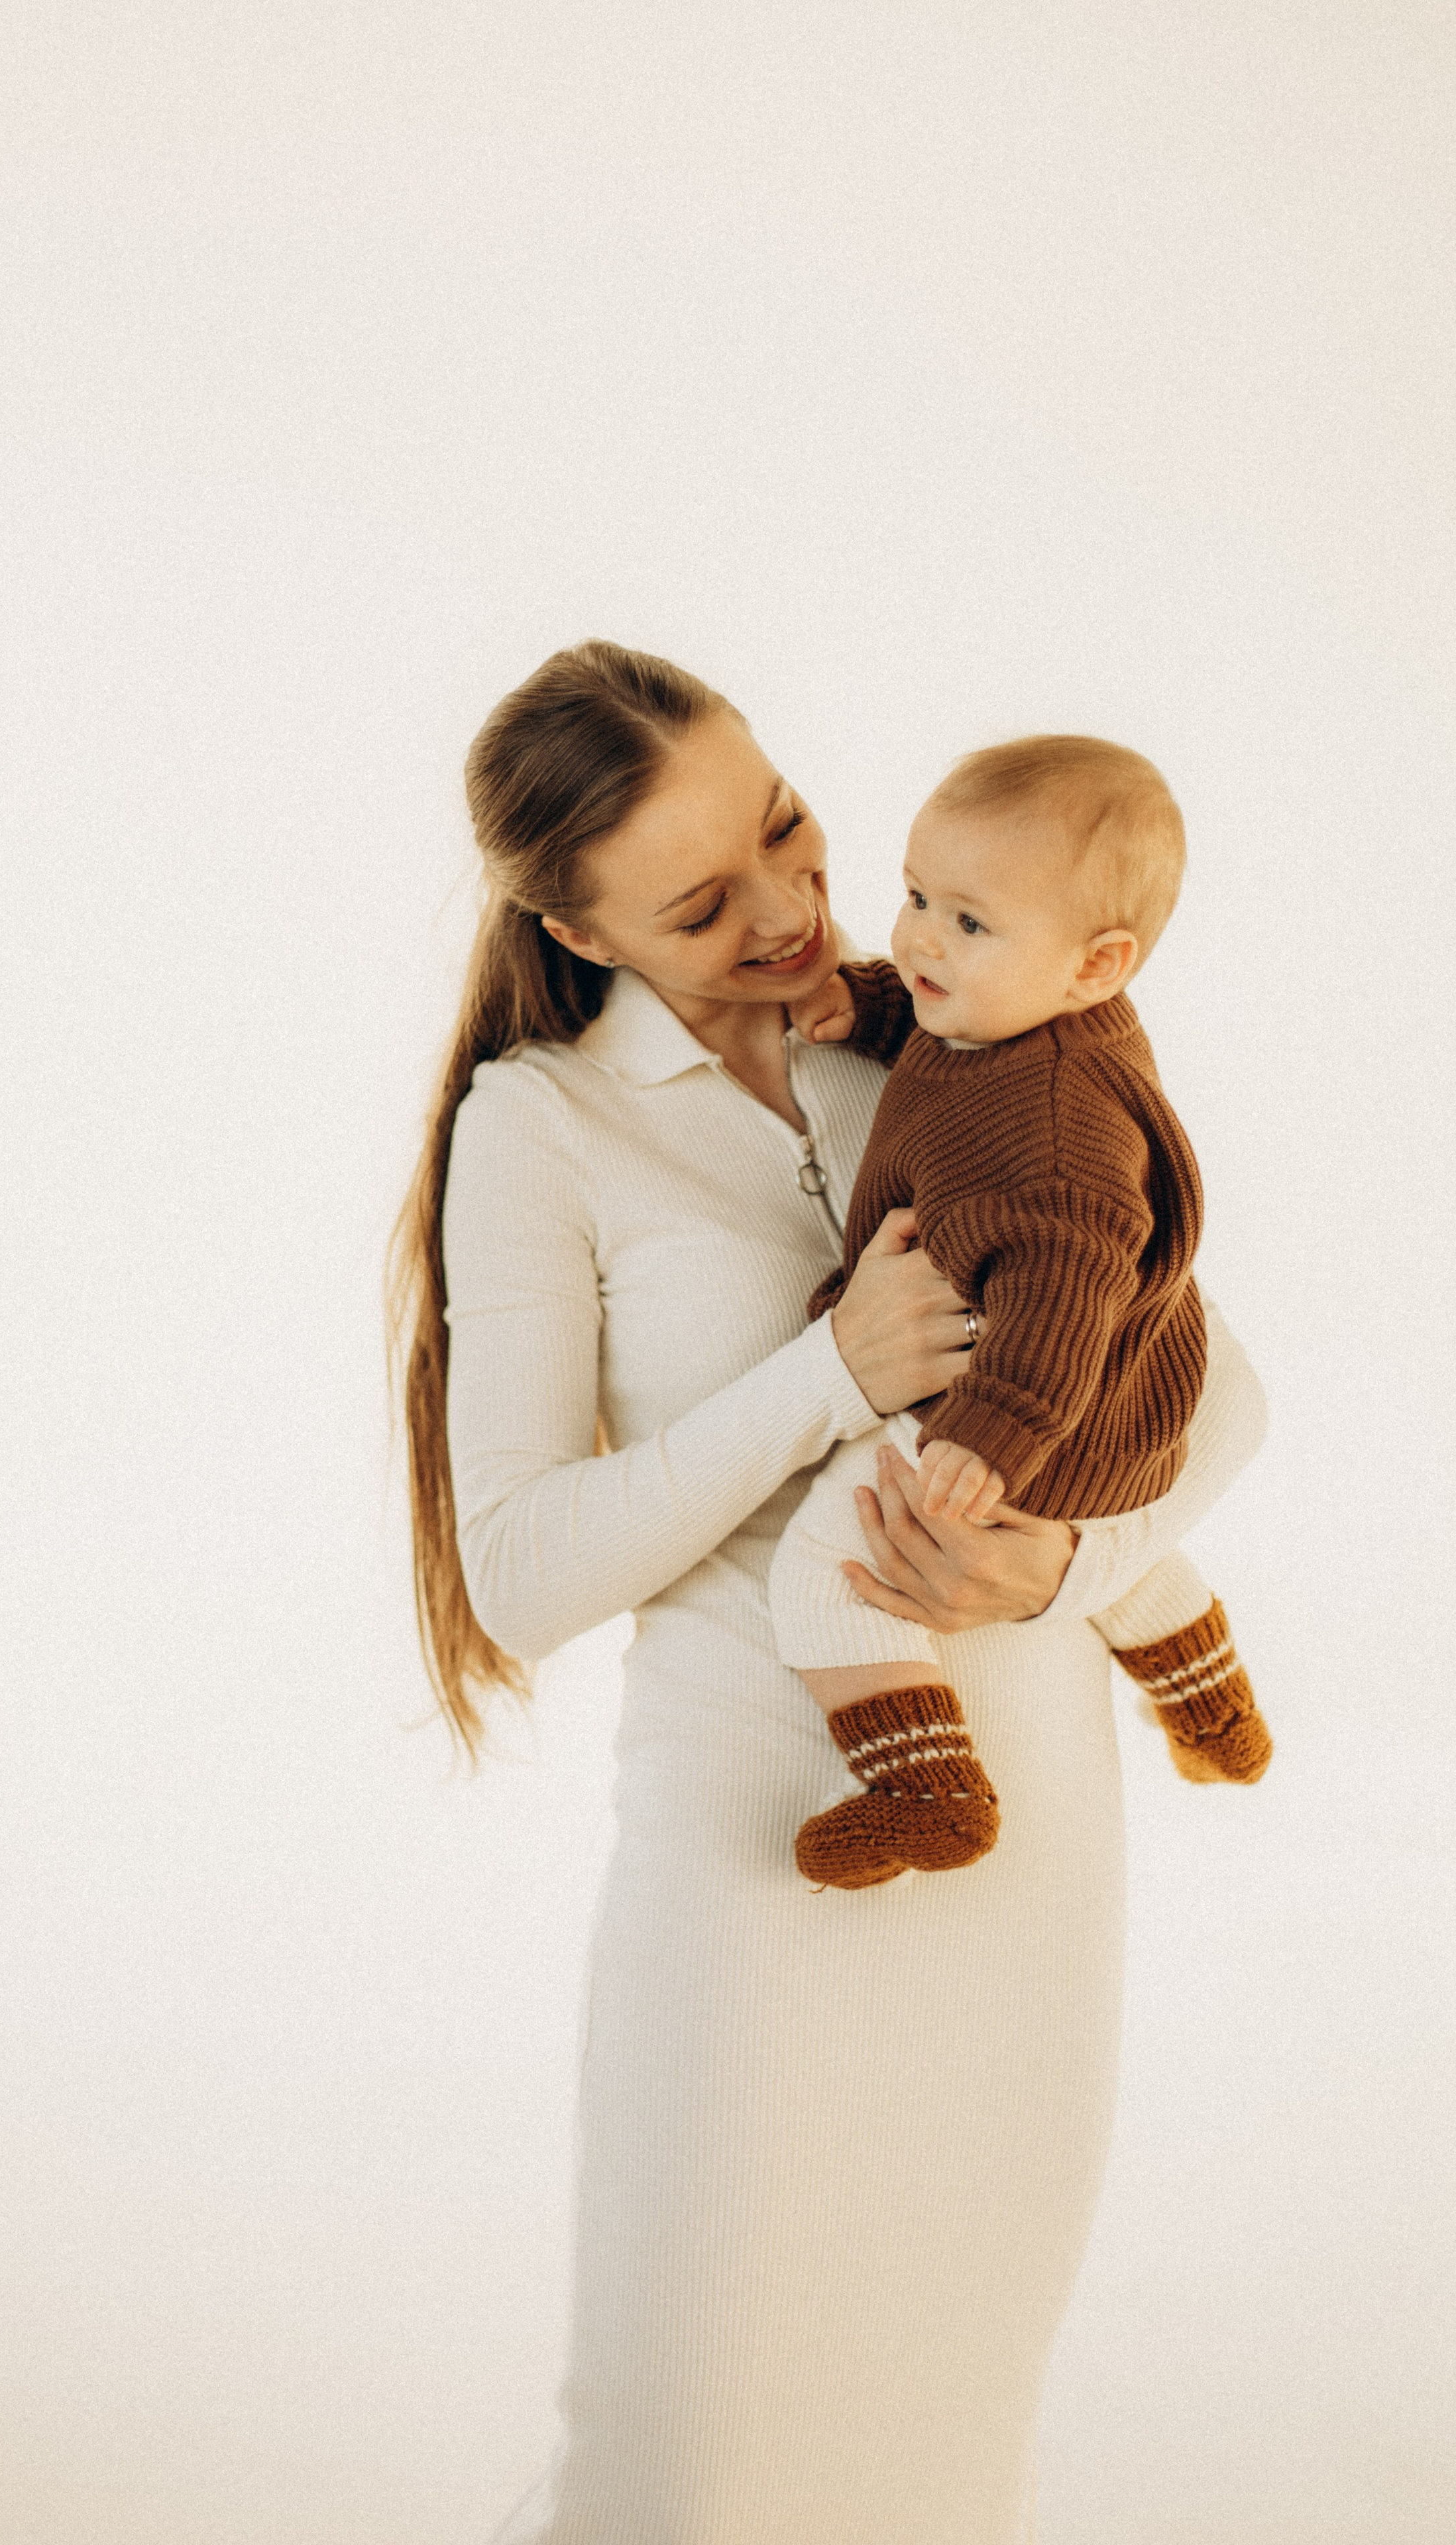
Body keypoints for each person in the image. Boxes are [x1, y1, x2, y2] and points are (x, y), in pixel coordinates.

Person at [388, 642, 1267, 2544]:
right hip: (756, 1845)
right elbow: (521, 1576)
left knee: (944, 2454)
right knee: (685, 2464)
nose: (794, 910)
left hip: (1026, 1864)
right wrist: (829, 1378)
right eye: (704, 905)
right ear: (573, 922)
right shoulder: (540, 1128)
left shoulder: (956, 1017)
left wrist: (1065, 1560)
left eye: (786, 825)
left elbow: (1220, 1386)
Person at [771, 734, 1270, 1892]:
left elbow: (1061, 1302)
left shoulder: (1056, 1144)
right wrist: (875, 1009)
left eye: (968, 924)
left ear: (1099, 965)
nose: (918, 939)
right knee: (1124, 1550)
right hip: (1131, 1409)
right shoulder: (1024, 1015)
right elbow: (952, 1046)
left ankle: (925, 1787)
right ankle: (1207, 1693)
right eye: (914, 896)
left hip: (1041, 1403)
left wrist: (981, 1446)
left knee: (822, 1566)